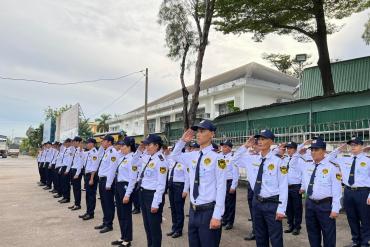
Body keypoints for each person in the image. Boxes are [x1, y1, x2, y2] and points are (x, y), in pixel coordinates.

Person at [170, 120, 227, 247]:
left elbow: (221, 187)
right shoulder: (193, 155)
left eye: (202, 131)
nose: (198, 134)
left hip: (208, 211)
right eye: (198, 132)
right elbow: (174, 156)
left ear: (212, 134)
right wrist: (182, 141)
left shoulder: (218, 158)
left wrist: (217, 215)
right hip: (193, 210)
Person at [232, 129, 288, 247]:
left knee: (275, 237)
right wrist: (246, 146)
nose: (260, 142)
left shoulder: (279, 162)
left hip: (272, 203)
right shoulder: (252, 159)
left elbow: (283, 186)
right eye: (259, 139)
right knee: (260, 235)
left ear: (271, 141)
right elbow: (234, 160)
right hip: (257, 202)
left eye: (263, 139)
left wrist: (281, 209)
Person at [300, 138, 342, 247]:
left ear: (323, 151)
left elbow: (337, 189)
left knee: (328, 235)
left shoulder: (332, 167)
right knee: (312, 234)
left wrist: (335, 208)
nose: (313, 152)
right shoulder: (307, 165)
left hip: (325, 205)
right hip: (310, 204)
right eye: (312, 149)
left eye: (316, 149)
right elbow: (305, 181)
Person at [331, 136, 370, 247]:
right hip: (348, 192)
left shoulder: (367, 160)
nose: (353, 147)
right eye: (351, 145)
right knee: (352, 218)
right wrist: (339, 149)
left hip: (363, 192)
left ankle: (365, 242)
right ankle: (356, 240)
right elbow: (328, 158)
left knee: (365, 217)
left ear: (361, 146)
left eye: (355, 145)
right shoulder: (344, 158)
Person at [136, 134, 168, 247]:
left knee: (154, 227)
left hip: (152, 196)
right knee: (147, 225)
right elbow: (134, 163)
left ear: (156, 145)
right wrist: (139, 150)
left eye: (148, 144)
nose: (146, 147)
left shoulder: (161, 160)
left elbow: (161, 184)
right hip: (143, 193)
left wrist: (156, 202)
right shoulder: (147, 156)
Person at [111, 137, 139, 247]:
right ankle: (123, 236)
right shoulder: (123, 157)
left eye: (123, 146)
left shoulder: (132, 159)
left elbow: (133, 178)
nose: (120, 147)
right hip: (119, 185)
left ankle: (127, 240)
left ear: (129, 147)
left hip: (125, 187)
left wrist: (127, 194)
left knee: (126, 214)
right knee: (120, 213)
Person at [95, 135, 119, 233]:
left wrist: (108, 184)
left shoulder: (113, 152)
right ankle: (105, 222)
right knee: (104, 202)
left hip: (107, 181)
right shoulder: (106, 152)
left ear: (109, 142)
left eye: (104, 141)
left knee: (108, 203)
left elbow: (112, 169)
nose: (102, 142)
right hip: (102, 180)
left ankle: (109, 224)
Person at [166, 145, 189, 238]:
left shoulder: (184, 161)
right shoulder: (171, 160)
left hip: (180, 187)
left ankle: (179, 230)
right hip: (171, 186)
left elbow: (187, 177)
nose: (172, 151)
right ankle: (174, 228)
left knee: (179, 209)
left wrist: (185, 190)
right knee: (173, 209)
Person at [283, 141, 304, 236]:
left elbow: (304, 174)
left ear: (295, 149)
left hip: (296, 187)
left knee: (297, 208)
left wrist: (303, 187)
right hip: (286, 187)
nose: (288, 150)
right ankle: (290, 225)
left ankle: (297, 227)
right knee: (288, 208)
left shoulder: (300, 160)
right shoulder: (286, 159)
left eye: (290, 148)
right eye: (287, 148)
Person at [220, 139, 239, 230]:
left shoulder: (233, 157)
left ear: (230, 148)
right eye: (222, 146)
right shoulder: (220, 157)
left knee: (230, 203)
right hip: (222, 182)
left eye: (225, 146)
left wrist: (233, 186)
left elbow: (236, 173)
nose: (223, 148)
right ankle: (224, 219)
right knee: (223, 202)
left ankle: (230, 222)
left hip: (229, 182)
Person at [79, 138, 99, 220]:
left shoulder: (94, 153)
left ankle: (91, 213)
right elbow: (81, 154)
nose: (86, 144)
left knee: (91, 195)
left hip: (92, 176)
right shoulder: (88, 152)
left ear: (92, 144)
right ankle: (88, 211)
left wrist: (91, 179)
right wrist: (80, 145)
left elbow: (94, 167)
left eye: (88, 143)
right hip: (87, 175)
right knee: (87, 195)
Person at [69, 137, 84, 210]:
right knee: (74, 188)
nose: (73, 143)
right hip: (73, 169)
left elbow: (80, 163)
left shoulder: (81, 150)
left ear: (78, 142)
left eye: (75, 142)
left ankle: (78, 204)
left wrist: (77, 173)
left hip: (77, 171)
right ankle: (76, 203)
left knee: (77, 188)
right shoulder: (75, 150)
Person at [59, 138, 73, 203]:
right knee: (63, 183)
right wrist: (61, 168)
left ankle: (67, 198)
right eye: (65, 142)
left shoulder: (70, 150)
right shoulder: (65, 149)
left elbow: (70, 161)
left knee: (66, 184)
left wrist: (67, 170)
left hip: (67, 168)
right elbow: (62, 159)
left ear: (69, 143)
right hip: (63, 167)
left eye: (66, 142)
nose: (65, 143)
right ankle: (64, 196)